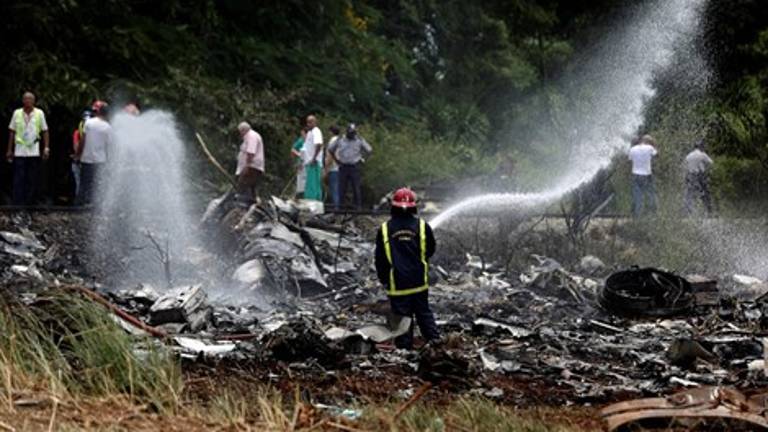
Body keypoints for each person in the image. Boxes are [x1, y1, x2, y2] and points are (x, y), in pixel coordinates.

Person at [374, 187, 439, 350]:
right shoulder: (423, 227)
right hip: (419, 282)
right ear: (413, 206)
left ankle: (405, 352)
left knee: (402, 319)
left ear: (393, 206)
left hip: (397, 284)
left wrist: (384, 280)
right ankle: (436, 344)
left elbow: (380, 259)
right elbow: (430, 250)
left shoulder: (384, 229)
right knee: (424, 313)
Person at [6, 91, 50, 205]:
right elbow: (12, 131)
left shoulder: (39, 113)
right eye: (26, 99)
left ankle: (30, 201)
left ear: (34, 101)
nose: (28, 101)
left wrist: (46, 147)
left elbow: (45, 130)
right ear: (23, 100)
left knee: (32, 177)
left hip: (33, 150)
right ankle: (17, 202)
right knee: (18, 177)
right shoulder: (17, 113)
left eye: (30, 99)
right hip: (20, 150)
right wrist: (9, 149)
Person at [327, 123, 372, 210]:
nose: (352, 135)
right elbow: (331, 149)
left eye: (353, 133)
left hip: (354, 166)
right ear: (347, 132)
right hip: (343, 166)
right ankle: (341, 208)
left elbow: (369, 150)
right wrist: (336, 160)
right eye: (350, 133)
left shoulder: (359, 139)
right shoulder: (340, 139)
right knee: (342, 188)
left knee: (356, 187)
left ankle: (358, 207)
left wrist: (363, 159)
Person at [76, 102, 112, 205]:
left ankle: (80, 204)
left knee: (84, 184)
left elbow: (82, 140)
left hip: (87, 158)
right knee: (97, 185)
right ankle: (94, 205)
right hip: (100, 160)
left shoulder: (89, 123)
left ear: (98, 111)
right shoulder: (108, 128)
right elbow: (109, 146)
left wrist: (78, 154)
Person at [628, 134, 658, 217]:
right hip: (647, 174)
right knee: (650, 194)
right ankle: (652, 214)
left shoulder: (632, 149)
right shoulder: (649, 148)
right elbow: (656, 155)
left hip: (635, 174)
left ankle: (638, 216)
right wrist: (654, 144)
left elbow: (630, 161)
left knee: (638, 196)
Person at [235, 122, 265, 204]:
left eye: (240, 131)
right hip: (252, 167)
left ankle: (243, 207)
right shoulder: (250, 136)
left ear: (243, 130)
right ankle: (253, 205)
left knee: (243, 187)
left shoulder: (251, 136)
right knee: (251, 190)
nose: (240, 134)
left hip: (252, 167)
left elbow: (251, 152)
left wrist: (246, 166)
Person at [684, 139, 714, 215]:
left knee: (689, 194)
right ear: (701, 147)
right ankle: (709, 211)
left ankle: (688, 211)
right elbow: (711, 163)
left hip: (690, 176)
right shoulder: (702, 154)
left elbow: (685, 166)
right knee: (705, 193)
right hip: (700, 176)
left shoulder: (689, 155)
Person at [71, 108, 92, 199]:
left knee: (87, 182)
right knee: (80, 182)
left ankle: (84, 200)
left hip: (88, 160)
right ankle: (80, 200)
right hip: (82, 160)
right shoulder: (77, 133)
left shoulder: (94, 131)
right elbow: (76, 146)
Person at [302, 115, 323, 201]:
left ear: (315, 122)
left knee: (312, 184)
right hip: (309, 161)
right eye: (307, 122)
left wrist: (314, 158)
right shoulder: (310, 132)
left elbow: (319, 144)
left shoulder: (316, 131)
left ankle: (311, 202)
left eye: (311, 122)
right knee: (312, 184)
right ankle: (316, 202)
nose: (309, 124)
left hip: (313, 162)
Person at [324, 125, 341, 209]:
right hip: (341, 168)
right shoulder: (341, 140)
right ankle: (339, 207)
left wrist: (326, 169)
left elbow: (329, 156)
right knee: (338, 189)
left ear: (331, 132)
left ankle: (336, 208)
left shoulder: (332, 142)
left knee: (334, 189)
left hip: (333, 168)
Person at [291, 128, 306, 199]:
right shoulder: (301, 140)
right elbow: (293, 149)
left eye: (303, 134)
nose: (302, 135)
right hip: (301, 164)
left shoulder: (310, 141)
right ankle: (296, 196)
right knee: (299, 181)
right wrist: (299, 154)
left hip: (308, 164)